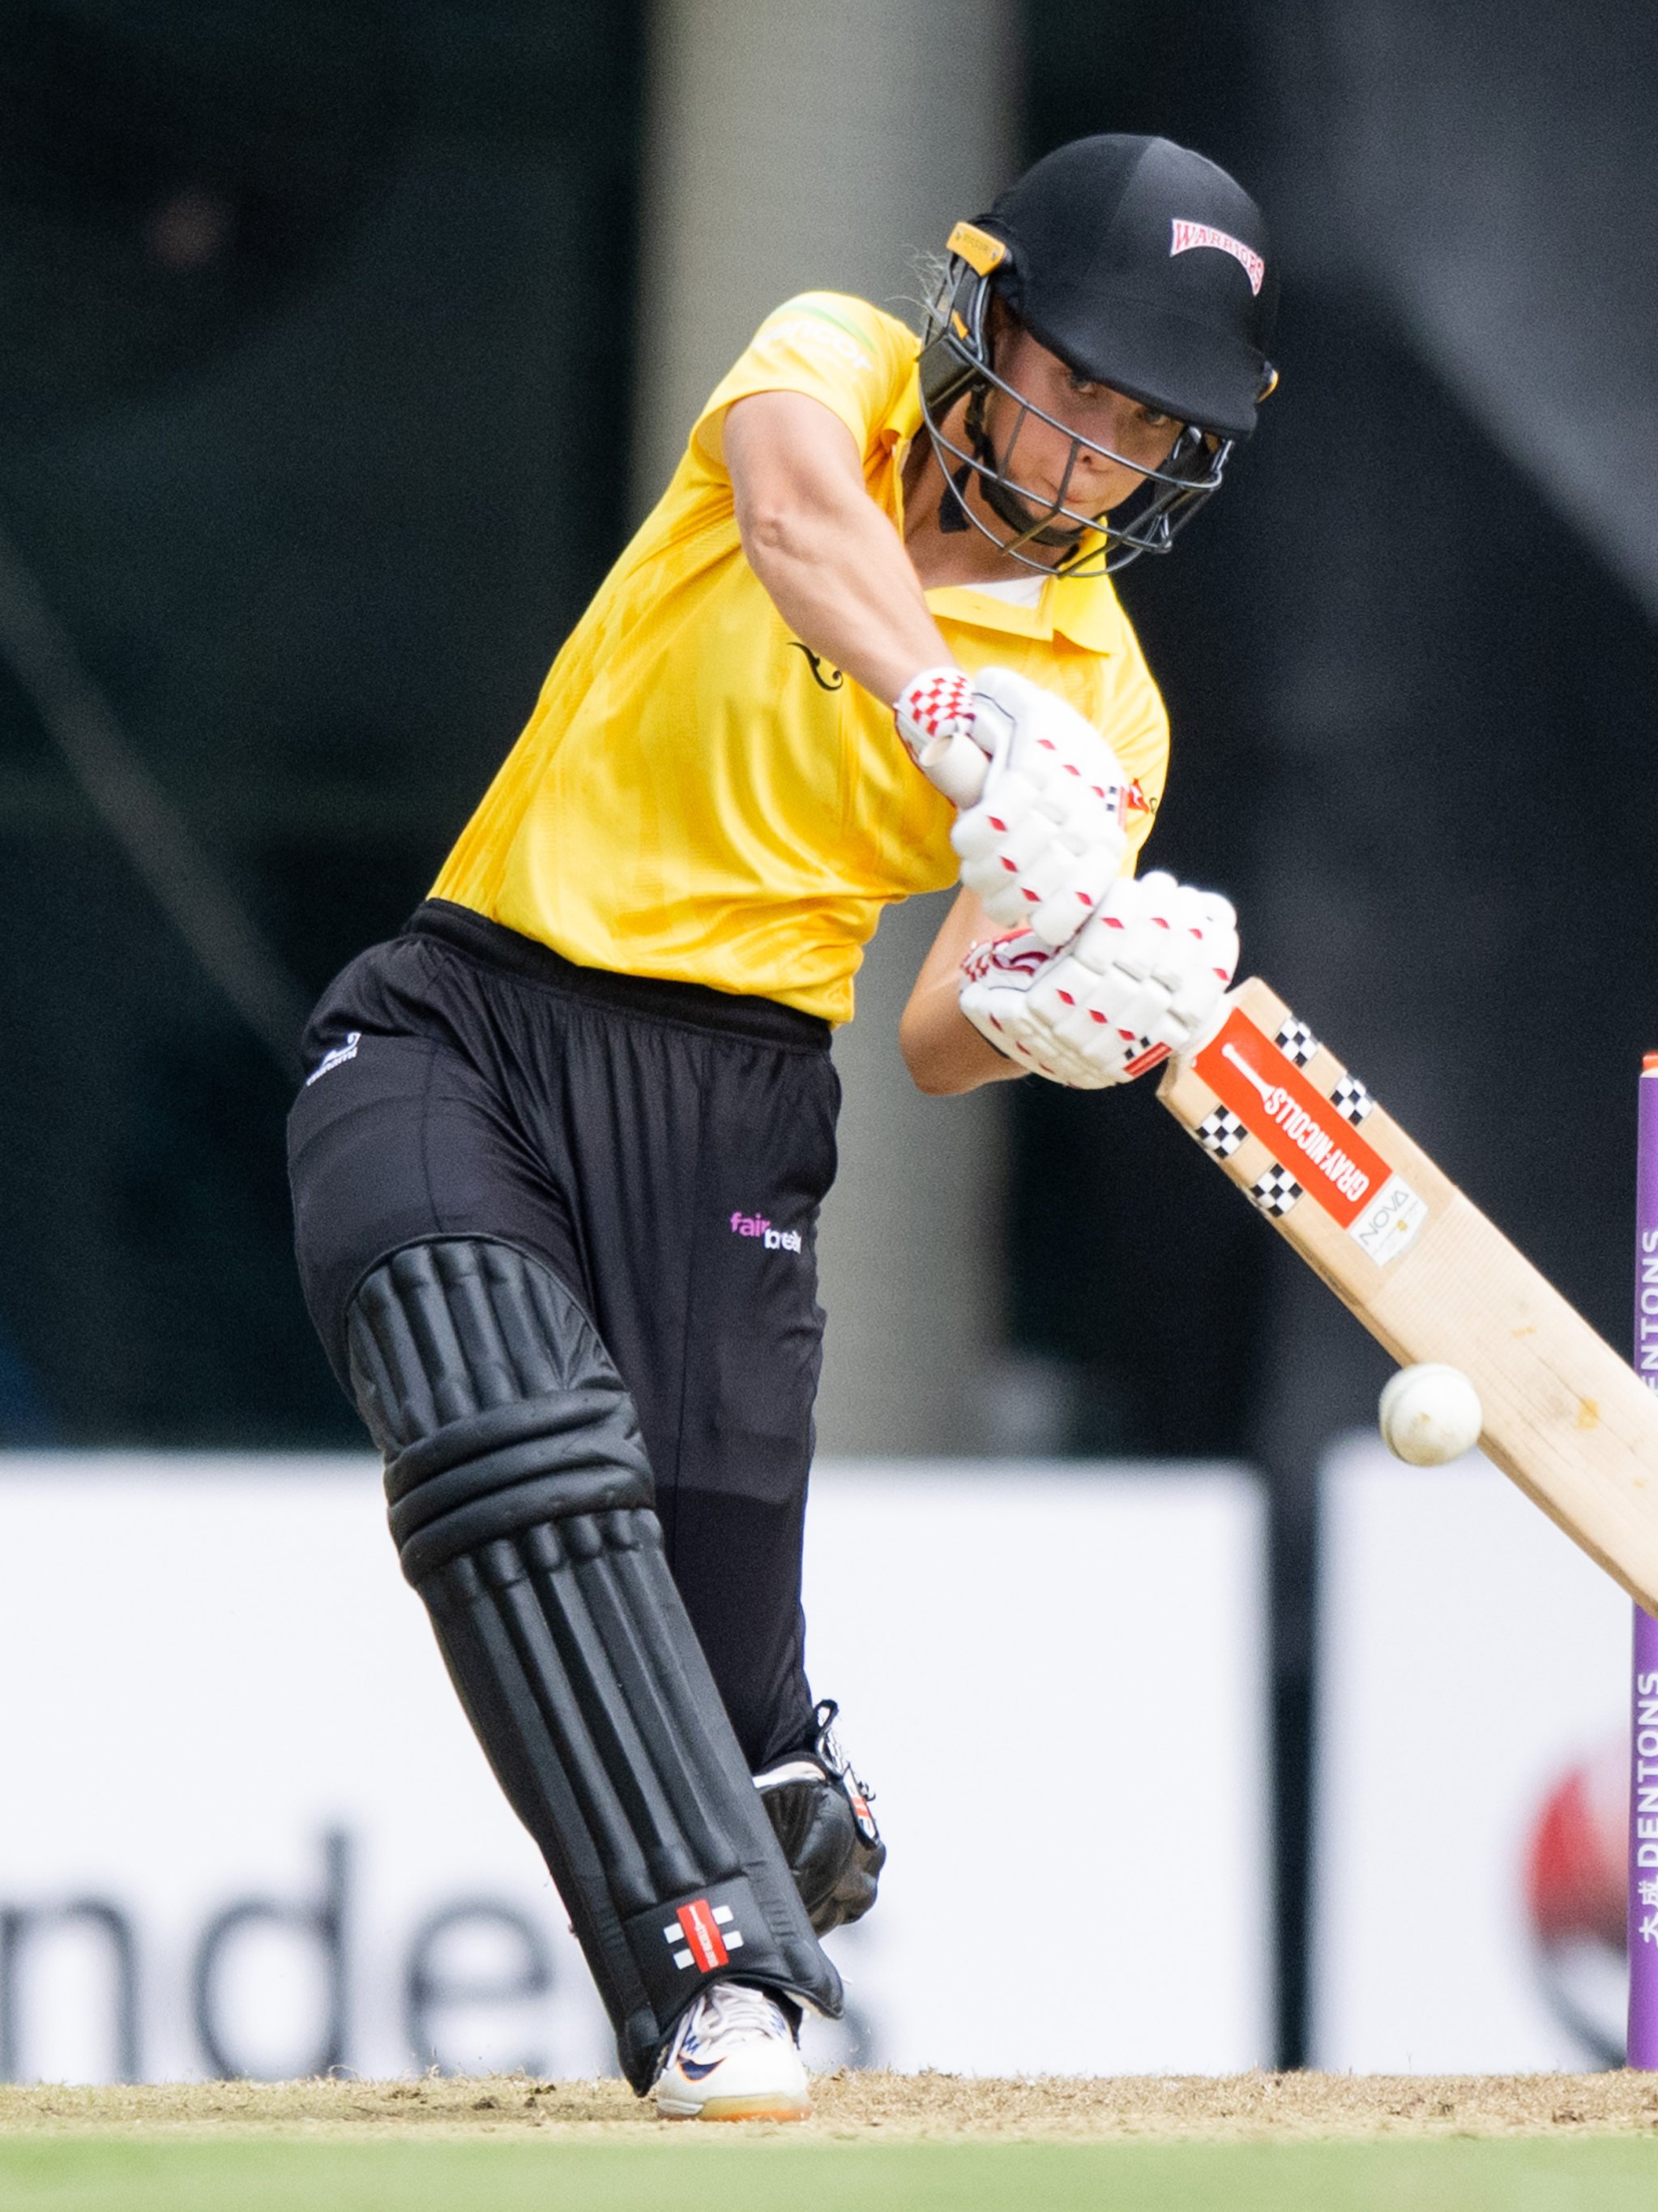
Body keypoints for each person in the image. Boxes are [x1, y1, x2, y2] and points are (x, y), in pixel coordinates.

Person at [283, 135, 1276, 2118]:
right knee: (504, 1443)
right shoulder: (831, 363)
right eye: (1073, 380)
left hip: (737, 1123)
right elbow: (804, 525)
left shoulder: (1113, 709)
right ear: (983, 320)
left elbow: (931, 1032)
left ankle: (773, 1781)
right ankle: (712, 1983)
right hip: (464, 1013)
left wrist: (1049, 1015)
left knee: (738, 1720)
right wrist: (960, 726)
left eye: (1143, 426)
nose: (1087, 455)